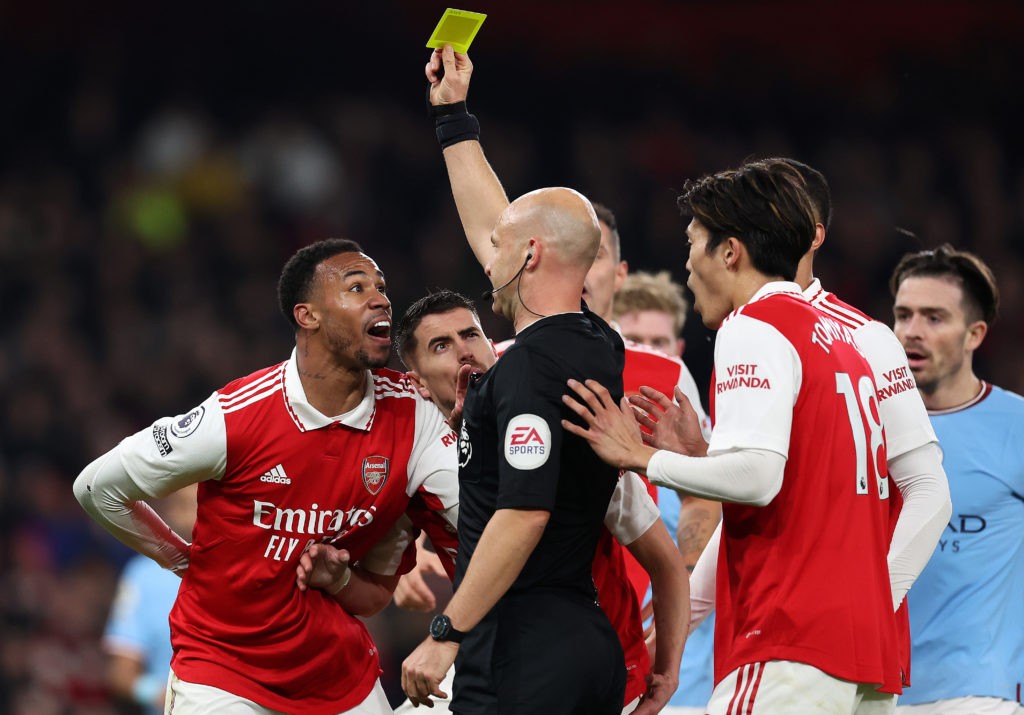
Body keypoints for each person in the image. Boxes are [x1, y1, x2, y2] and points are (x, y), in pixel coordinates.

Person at [563, 159, 904, 712]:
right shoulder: (844, 336)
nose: (687, 269)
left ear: (730, 252)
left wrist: (642, 456)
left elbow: (758, 478)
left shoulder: (755, 325)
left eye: (693, 245)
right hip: (866, 651)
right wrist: (704, 457)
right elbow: (792, 489)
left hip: (786, 634)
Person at [75, 238, 459, 715]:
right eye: (356, 287)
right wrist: (179, 559)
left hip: (337, 674)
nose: (381, 297)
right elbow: (96, 487)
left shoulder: (413, 413)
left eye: (380, 286)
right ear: (308, 316)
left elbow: (477, 528)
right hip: (223, 674)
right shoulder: (236, 416)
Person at [400, 47, 630, 715]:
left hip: (521, 648)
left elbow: (524, 512)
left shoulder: (525, 366)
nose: (485, 254)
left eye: (503, 247)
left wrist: (446, 633)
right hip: (584, 636)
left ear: (530, 255)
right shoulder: (596, 340)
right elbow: (497, 228)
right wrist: (453, 120)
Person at [394, 289, 689, 714]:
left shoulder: (568, 431)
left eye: (470, 335)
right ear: (417, 381)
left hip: (592, 669)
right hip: (488, 660)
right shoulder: (417, 458)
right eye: (441, 346)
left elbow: (666, 565)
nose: (464, 352)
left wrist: (665, 675)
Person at [783, 157, 952, 694]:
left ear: (815, 235)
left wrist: (873, 606)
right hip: (776, 635)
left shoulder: (864, 335)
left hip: (828, 644)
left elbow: (929, 493)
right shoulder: (744, 333)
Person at [890, 244, 1024, 715]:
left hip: (979, 694)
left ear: (974, 334)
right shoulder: (864, 429)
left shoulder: (1017, 427)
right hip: (870, 690)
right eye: (903, 315)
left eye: (933, 317)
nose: (912, 332)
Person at [612, 270, 719, 715]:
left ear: (676, 353)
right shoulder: (606, 460)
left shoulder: (713, 464)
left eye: (656, 344)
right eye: (632, 340)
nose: (645, 355)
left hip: (694, 686)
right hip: (616, 672)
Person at [102, 484, 198, 715]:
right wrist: (157, 694)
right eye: (182, 505)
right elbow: (120, 674)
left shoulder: (246, 568)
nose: (191, 516)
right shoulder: (143, 575)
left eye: (198, 505)